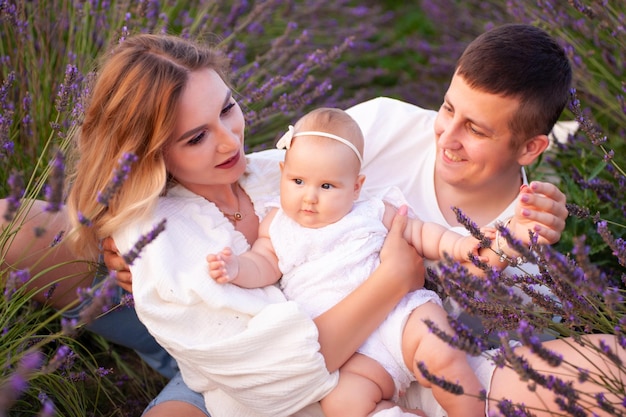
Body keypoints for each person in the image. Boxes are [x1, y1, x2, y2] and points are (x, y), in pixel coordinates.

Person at [2, 25, 621, 417]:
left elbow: (470, 337)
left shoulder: (286, 172)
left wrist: (497, 248)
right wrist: (120, 232)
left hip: (302, 359)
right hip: (224, 343)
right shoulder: (372, 130)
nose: (230, 144)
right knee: (19, 225)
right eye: (196, 136)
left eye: (230, 109)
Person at [207, 107, 493, 417]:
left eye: (327, 186)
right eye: (298, 181)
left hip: (403, 317)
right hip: (353, 352)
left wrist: (463, 244)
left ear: (356, 186)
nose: (310, 197)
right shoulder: (276, 225)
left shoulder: (372, 209)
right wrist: (237, 268)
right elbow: (263, 263)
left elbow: (424, 234)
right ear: (282, 173)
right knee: (344, 405)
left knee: (442, 357)